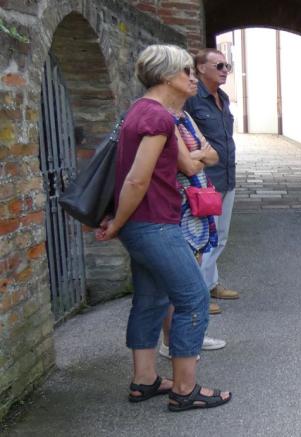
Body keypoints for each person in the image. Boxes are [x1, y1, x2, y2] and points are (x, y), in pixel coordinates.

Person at [96, 44, 231, 411]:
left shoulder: (142, 112)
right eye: (187, 71)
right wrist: (117, 223)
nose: (192, 77)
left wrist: (121, 225)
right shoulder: (158, 118)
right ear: (167, 75)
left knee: (151, 300)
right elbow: (137, 181)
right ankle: (185, 389)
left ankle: (144, 380)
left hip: (144, 225)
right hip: (155, 224)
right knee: (193, 298)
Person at [159, 102, 227, 359]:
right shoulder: (164, 118)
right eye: (186, 73)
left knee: (194, 273)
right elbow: (186, 166)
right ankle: (173, 343)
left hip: (195, 204)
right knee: (178, 280)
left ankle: (191, 337)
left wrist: (194, 155)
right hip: (177, 203)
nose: (192, 80)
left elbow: (213, 156)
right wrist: (197, 155)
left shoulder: (184, 116)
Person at [183, 48, 240, 313]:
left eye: (226, 66)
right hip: (206, 181)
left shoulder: (223, 98)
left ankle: (212, 282)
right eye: (218, 66)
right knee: (206, 237)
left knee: (222, 235)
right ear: (200, 68)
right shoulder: (192, 101)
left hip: (227, 176)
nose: (224, 70)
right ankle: (200, 294)